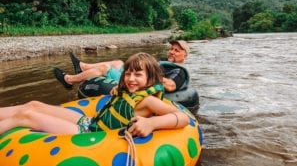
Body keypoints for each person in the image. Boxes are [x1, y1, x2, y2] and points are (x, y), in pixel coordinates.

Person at [0, 53, 189, 136]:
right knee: (34, 104)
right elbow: (121, 101)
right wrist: (120, 91)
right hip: (90, 122)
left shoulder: (148, 101)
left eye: (138, 75)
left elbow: (182, 117)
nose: (131, 78)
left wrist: (151, 123)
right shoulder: (128, 91)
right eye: (128, 73)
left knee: (27, 116)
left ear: (151, 80)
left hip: (89, 133)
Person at [54, 40, 190, 92]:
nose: (172, 52)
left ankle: (69, 80)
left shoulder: (179, 71)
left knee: (105, 69)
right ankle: (82, 67)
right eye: (171, 48)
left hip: (143, 81)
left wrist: (148, 75)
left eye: (177, 50)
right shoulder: (162, 61)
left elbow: (171, 85)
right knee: (118, 63)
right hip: (140, 76)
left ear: (185, 56)